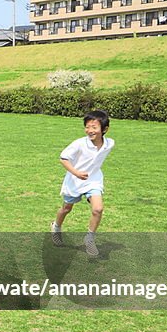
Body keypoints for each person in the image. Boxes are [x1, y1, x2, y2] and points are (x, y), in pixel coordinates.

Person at [51, 110, 114, 258]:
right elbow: (63, 158)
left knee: (98, 209)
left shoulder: (109, 144)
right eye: (87, 127)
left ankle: (89, 239)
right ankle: (56, 227)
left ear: (105, 129)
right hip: (74, 181)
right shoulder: (79, 144)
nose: (90, 130)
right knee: (66, 209)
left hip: (93, 181)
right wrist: (76, 173)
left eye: (94, 127)